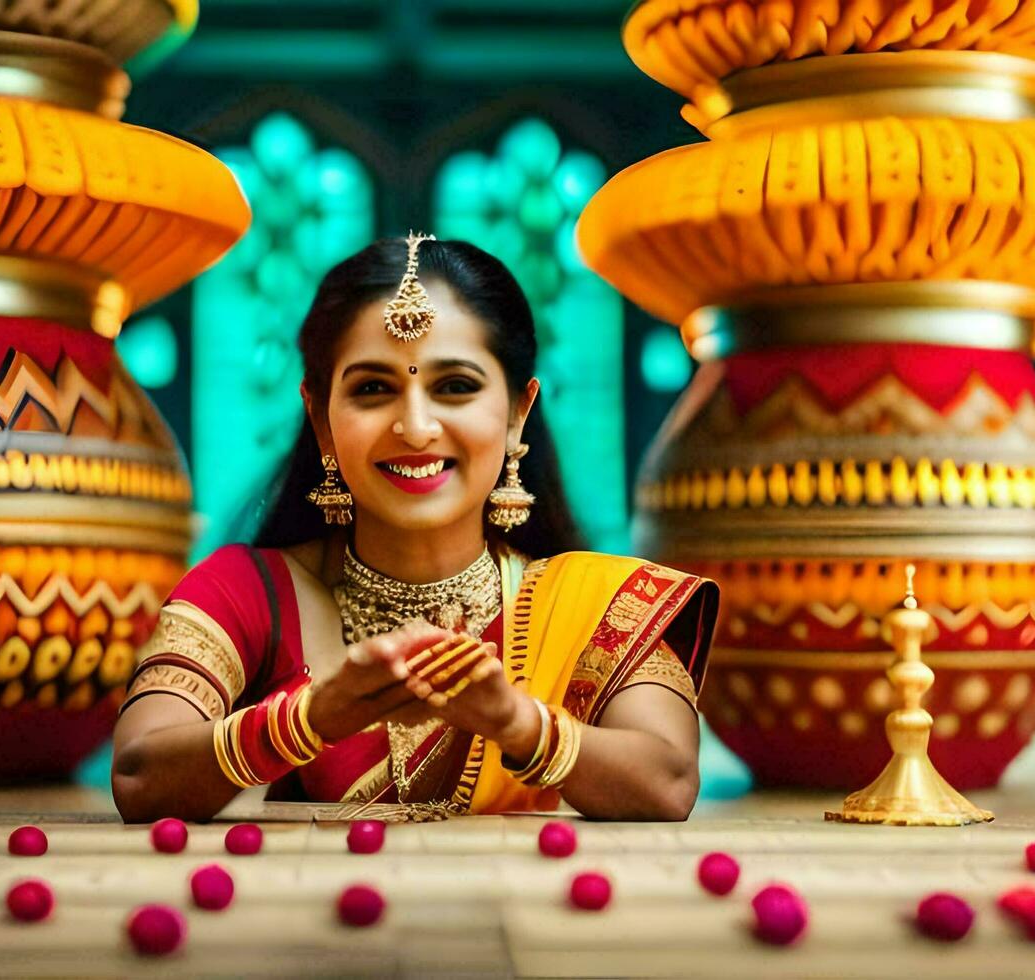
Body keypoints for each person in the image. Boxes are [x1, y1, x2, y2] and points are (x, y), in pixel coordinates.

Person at [112, 234, 718, 822]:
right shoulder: (251, 591)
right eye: (373, 389)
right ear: (323, 422)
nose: (416, 426)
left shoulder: (595, 606)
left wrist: (516, 723)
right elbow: (139, 773)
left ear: (516, 414)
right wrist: (310, 719)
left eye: (454, 387)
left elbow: (666, 781)